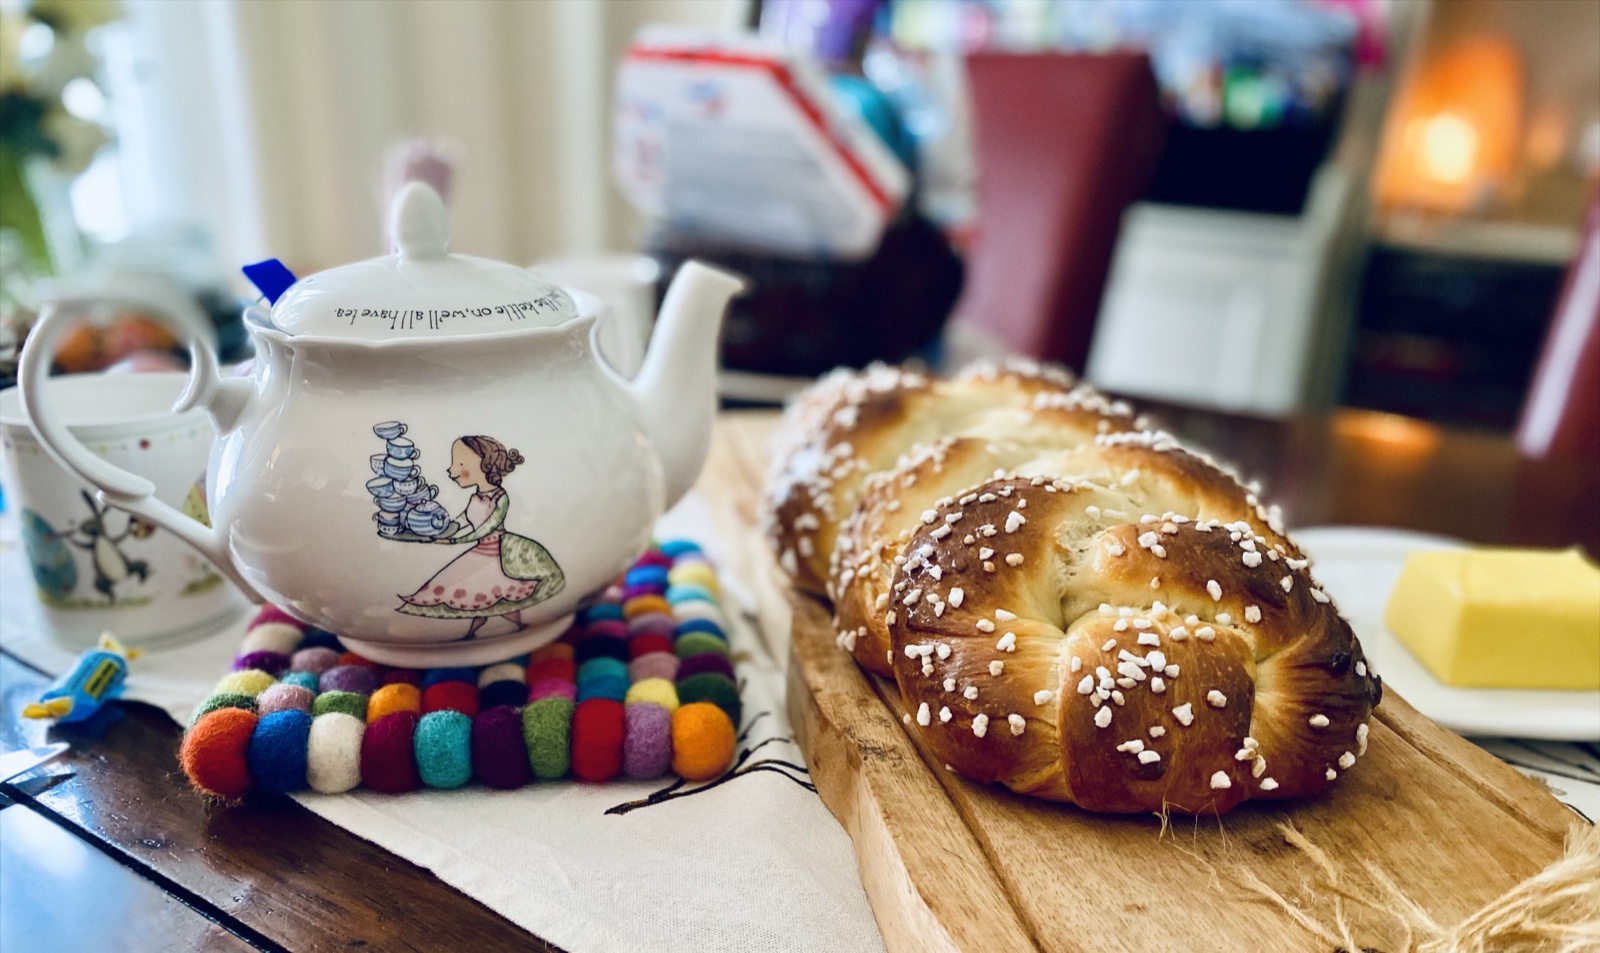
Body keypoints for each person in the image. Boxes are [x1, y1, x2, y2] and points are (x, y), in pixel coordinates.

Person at [397, 435, 565, 639]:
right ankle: (488, 630)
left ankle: (504, 628)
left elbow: (488, 527)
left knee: (491, 597)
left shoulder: (500, 497)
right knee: (484, 598)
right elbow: (460, 521)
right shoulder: (475, 497)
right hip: (480, 550)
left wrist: (455, 541)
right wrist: (437, 531)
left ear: (484, 464)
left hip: (496, 553)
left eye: (460, 464)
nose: (452, 470)